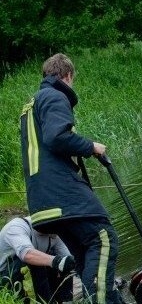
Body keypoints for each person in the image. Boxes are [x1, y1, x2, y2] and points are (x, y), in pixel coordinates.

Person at [19, 53, 122, 303]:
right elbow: (57, 138)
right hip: (62, 194)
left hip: (42, 201)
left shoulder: (30, 107)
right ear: (68, 76)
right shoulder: (54, 95)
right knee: (103, 239)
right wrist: (90, 146)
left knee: (86, 257)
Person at [0, 216, 74, 303]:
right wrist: (56, 262)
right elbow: (27, 254)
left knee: (64, 262)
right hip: (5, 278)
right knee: (36, 261)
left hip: (34, 276)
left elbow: (69, 259)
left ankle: (64, 301)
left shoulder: (53, 234)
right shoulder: (17, 227)